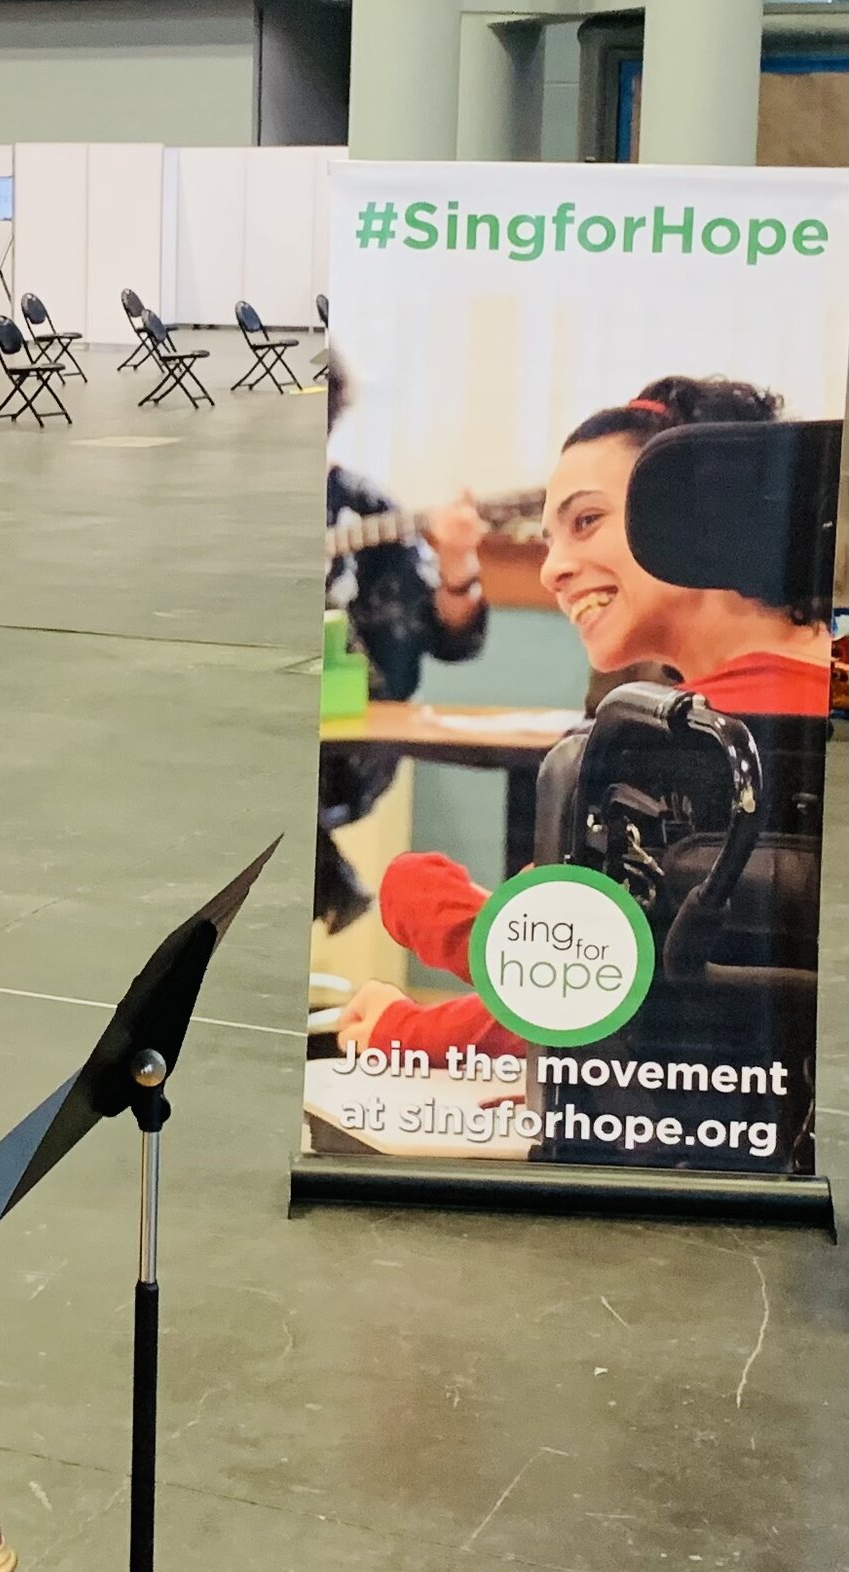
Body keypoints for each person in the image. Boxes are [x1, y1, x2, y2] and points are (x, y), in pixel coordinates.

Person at [339, 375, 830, 1162]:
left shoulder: (652, 758)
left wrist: (407, 1026)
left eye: (587, 521)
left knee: (409, 883)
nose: (551, 569)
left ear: (703, 512)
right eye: (550, 535)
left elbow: (561, 980)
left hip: (661, 1154)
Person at [318, 353, 489, 931]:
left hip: (350, 747)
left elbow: (451, 641)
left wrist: (458, 562)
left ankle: (327, 882)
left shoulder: (369, 511)